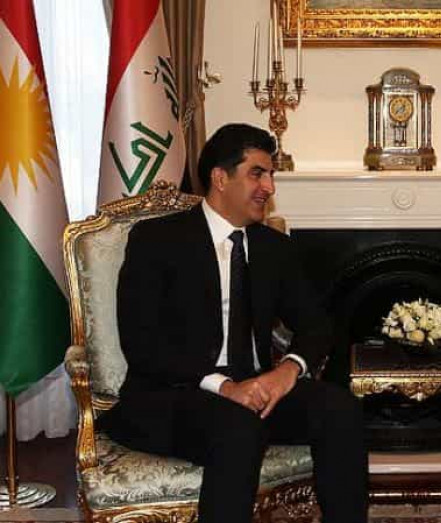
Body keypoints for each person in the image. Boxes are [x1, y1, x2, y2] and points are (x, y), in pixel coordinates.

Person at [98, 123, 368, 523]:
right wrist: (224, 386)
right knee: (238, 427)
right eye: (257, 173)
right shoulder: (157, 240)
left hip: (257, 390)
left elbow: (316, 324)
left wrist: (286, 372)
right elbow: (142, 344)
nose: (269, 187)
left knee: (340, 410)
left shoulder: (273, 248)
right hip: (174, 395)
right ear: (220, 178)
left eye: (271, 175)